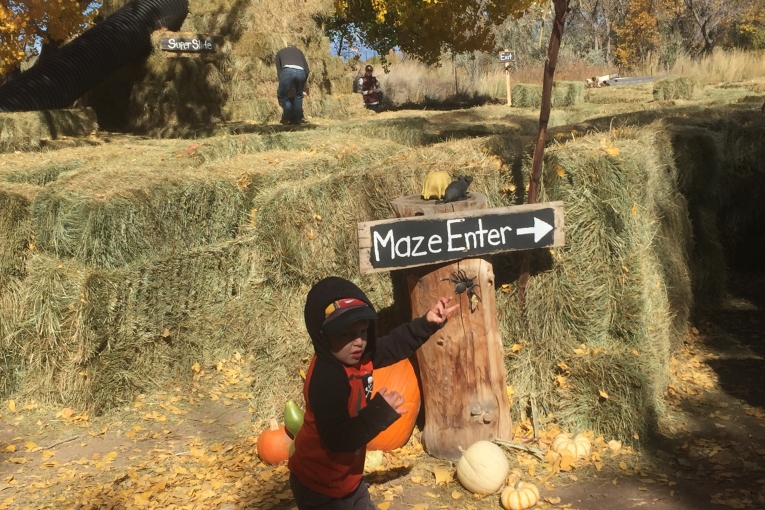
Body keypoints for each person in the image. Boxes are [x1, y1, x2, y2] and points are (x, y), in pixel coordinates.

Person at [288, 276, 459, 509]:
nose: (358, 341)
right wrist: (379, 412)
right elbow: (338, 438)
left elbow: (394, 344)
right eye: (346, 334)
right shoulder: (327, 379)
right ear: (323, 335)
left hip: (348, 479)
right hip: (319, 486)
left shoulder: (359, 357)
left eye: (363, 331)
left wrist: (427, 323)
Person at [275, 45, 310, 125]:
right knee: (299, 96)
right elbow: (307, 70)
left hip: (287, 71)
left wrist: (284, 83)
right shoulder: (299, 51)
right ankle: (298, 120)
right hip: (301, 71)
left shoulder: (279, 52)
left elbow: (279, 71)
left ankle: (293, 117)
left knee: (282, 96)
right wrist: (303, 85)